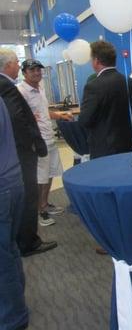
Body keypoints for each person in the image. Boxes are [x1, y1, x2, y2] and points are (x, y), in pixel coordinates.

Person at [0, 48, 57, 257]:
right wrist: (33, 144)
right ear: (9, 65)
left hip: (29, 147)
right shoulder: (8, 87)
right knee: (29, 194)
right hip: (23, 152)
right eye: (17, 62)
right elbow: (19, 120)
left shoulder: (35, 89)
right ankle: (28, 241)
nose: (18, 64)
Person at [18, 59, 73, 227]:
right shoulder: (20, 91)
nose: (37, 73)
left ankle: (45, 204)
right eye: (32, 70)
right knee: (39, 178)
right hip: (36, 141)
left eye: (38, 70)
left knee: (50, 174)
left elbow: (44, 111)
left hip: (49, 138)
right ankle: (39, 211)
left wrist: (60, 116)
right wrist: (26, 121)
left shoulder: (40, 89)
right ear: (24, 73)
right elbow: (16, 116)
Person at [78, 41, 132, 159]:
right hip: (128, 144)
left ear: (96, 60)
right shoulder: (130, 82)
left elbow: (85, 120)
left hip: (103, 148)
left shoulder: (93, 86)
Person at [0, 97, 29, 330]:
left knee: (3, 256)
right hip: (11, 182)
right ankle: (16, 304)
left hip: (3, 188)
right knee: (9, 248)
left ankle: (12, 318)